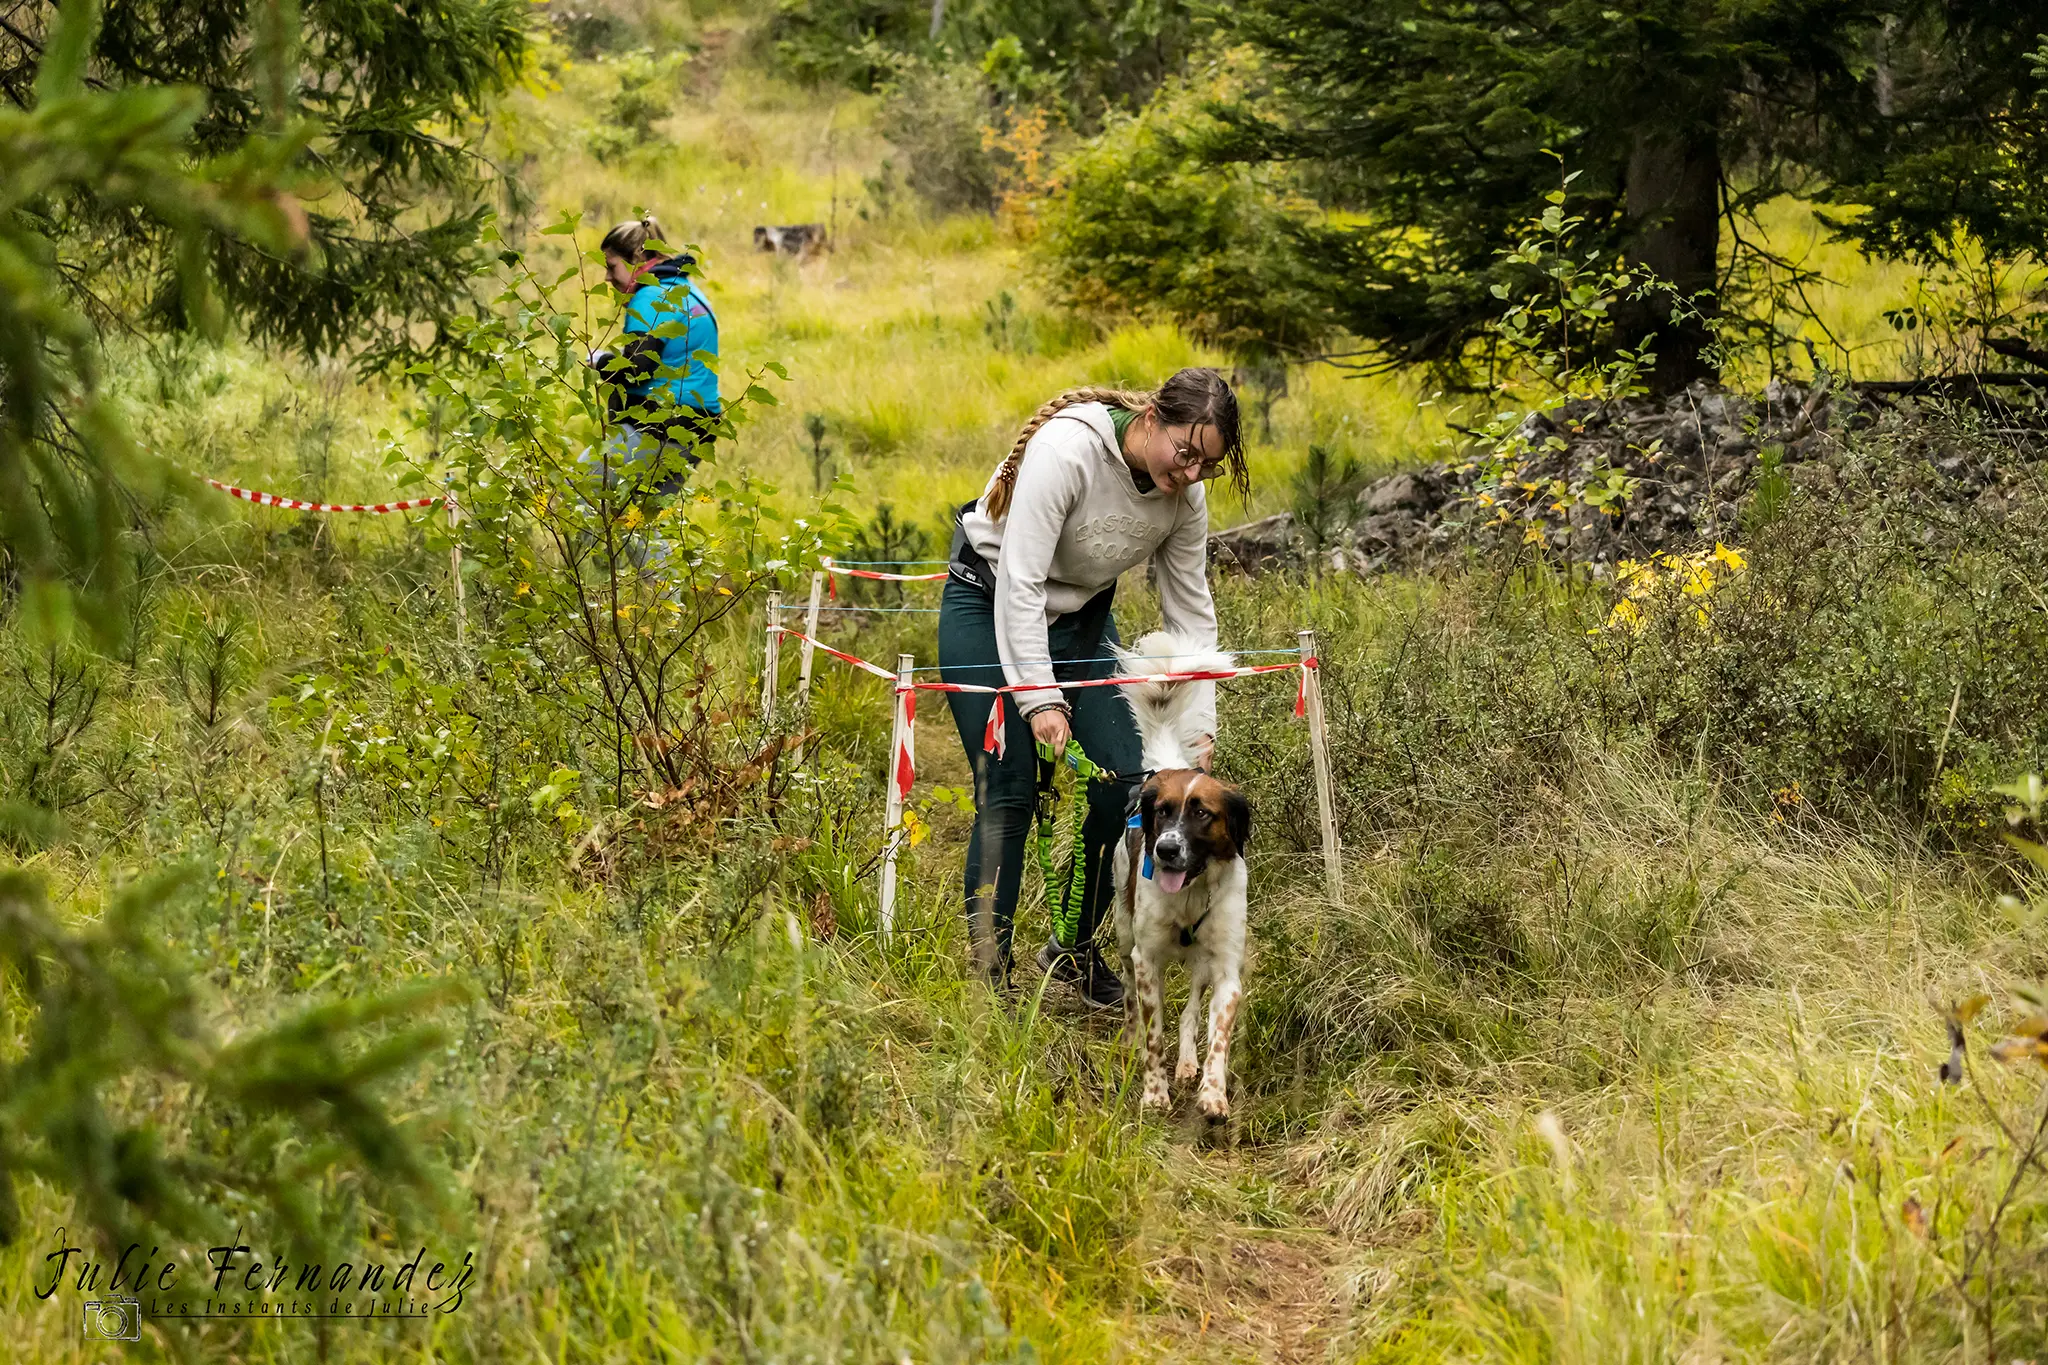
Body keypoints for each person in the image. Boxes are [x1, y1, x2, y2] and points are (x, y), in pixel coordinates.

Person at [940, 368, 1247, 1005]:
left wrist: (1199, 726)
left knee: (1125, 787)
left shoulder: (1184, 498)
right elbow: (1020, 583)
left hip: (1082, 623)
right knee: (1009, 789)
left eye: (1207, 465)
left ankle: (1072, 953)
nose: (1190, 474)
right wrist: (1040, 699)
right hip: (988, 601)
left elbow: (1190, 613)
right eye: (1185, 452)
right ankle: (988, 975)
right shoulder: (1067, 450)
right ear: (1152, 419)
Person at [590, 215, 721, 504]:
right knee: (641, 523)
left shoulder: (651, 297)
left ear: (637, 258)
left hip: (659, 425)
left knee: (583, 488)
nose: (608, 278)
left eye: (612, 267)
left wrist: (598, 360)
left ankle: (585, 551)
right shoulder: (689, 291)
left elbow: (637, 370)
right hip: (698, 429)